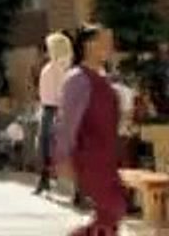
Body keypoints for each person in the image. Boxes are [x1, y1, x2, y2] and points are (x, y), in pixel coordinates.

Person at [56, 25, 124, 236]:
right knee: (111, 210)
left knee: (111, 214)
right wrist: (63, 158)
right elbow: (67, 122)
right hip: (89, 156)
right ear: (89, 45)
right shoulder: (77, 79)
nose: (110, 46)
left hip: (106, 155)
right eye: (105, 41)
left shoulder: (103, 77)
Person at [35, 31, 72, 195]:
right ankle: (44, 179)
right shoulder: (52, 66)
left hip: (55, 109)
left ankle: (50, 179)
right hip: (47, 108)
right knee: (44, 146)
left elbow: (61, 93)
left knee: (50, 146)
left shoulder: (60, 68)